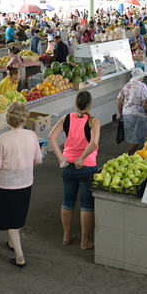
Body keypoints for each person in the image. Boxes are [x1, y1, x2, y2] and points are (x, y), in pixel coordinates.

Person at [0, 103, 43, 267]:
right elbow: (38, 160)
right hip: (26, 183)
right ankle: (13, 243)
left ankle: (20, 257)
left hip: (7, 186)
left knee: (11, 221)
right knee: (17, 217)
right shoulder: (32, 136)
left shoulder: (2, 140)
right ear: (25, 118)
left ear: (8, 119)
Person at [48, 91, 100, 249]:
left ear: (76, 104)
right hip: (86, 167)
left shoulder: (66, 119)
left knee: (68, 202)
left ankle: (66, 236)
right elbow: (94, 143)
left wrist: (60, 157)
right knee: (86, 205)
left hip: (67, 166)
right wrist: (83, 159)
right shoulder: (93, 121)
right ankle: (85, 241)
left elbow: (51, 137)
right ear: (90, 105)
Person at [118, 68, 147, 155]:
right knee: (140, 138)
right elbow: (146, 102)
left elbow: (119, 99)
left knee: (134, 137)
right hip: (139, 115)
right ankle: (126, 154)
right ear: (140, 77)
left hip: (127, 114)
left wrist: (121, 113)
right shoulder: (142, 86)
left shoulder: (126, 86)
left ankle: (134, 155)